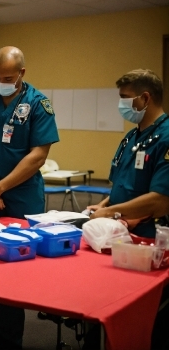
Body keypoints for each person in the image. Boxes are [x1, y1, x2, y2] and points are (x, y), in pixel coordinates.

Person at [0, 46, 59, 349]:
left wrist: (0, 188)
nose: (1, 81)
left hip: (21, 197)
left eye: (7, 77)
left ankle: (7, 337)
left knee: (13, 266)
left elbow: (38, 156)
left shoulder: (38, 104)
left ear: (22, 73)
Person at [84, 69, 169, 350]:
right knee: (108, 308)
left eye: (125, 98)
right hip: (121, 240)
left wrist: (111, 213)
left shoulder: (166, 137)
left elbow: (160, 199)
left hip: (151, 244)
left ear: (145, 98)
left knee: (143, 322)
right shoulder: (131, 138)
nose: (121, 105)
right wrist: (105, 205)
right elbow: (122, 184)